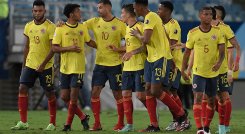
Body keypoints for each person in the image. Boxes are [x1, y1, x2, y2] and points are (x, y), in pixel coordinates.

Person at [129, 0, 189, 132]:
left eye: (134, 8)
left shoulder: (151, 17)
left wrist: (137, 34)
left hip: (160, 58)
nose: (134, 11)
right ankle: (154, 125)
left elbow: (146, 39)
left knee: (157, 90)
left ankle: (182, 116)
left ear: (140, 6)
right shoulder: (149, 19)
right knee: (149, 90)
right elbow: (164, 38)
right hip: (151, 58)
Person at [11, 0, 57, 131]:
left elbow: (53, 49)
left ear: (44, 11)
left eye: (40, 11)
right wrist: (24, 65)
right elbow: (26, 47)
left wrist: (43, 64)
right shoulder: (28, 26)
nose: (37, 13)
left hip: (46, 66)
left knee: (49, 93)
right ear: (32, 11)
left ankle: (52, 123)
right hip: (30, 64)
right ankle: (23, 122)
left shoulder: (50, 27)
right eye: (35, 11)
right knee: (22, 88)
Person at [52, 3, 96, 131]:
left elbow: (89, 41)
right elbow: (54, 47)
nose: (80, 13)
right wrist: (69, 48)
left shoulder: (82, 27)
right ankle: (83, 117)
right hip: (64, 68)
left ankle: (67, 125)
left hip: (78, 68)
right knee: (64, 97)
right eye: (78, 11)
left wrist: (102, 47)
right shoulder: (60, 28)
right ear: (71, 14)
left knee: (73, 98)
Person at [181, 6, 225, 134]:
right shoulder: (193, 32)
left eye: (210, 15)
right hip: (198, 72)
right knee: (198, 98)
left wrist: (219, 63)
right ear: (200, 16)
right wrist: (184, 70)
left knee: (211, 100)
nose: (208, 17)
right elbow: (187, 53)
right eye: (205, 14)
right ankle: (200, 129)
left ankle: (207, 127)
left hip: (212, 72)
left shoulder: (218, 31)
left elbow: (222, 52)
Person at [84, 0, 126, 131]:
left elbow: (130, 44)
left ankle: (121, 123)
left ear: (108, 8)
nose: (98, 10)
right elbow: (80, 27)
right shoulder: (94, 21)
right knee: (95, 93)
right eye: (97, 7)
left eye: (100, 7)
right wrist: (89, 42)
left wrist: (119, 50)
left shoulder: (120, 24)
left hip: (115, 64)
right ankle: (97, 123)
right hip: (100, 64)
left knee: (117, 94)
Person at [109, 4, 147, 132]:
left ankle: (153, 115)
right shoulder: (126, 28)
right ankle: (129, 125)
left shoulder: (141, 27)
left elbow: (146, 46)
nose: (121, 16)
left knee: (141, 96)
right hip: (127, 68)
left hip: (140, 66)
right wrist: (119, 50)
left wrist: (132, 53)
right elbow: (128, 46)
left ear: (129, 14)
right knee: (125, 94)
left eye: (122, 13)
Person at [157, 1, 190, 131]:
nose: (158, 11)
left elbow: (171, 45)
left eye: (160, 9)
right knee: (169, 91)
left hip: (173, 62)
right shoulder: (160, 24)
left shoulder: (173, 25)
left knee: (169, 91)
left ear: (168, 11)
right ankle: (179, 119)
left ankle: (180, 119)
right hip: (164, 61)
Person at [212, 5, 241, 134]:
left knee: (223, 97)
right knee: (213, 98)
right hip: (209, 70)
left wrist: (230, 71)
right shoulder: (210, 29)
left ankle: (225, 125)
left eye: (210, 13)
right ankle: (225, 122)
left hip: (222, 70)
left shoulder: (225, 29)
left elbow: (230, 52)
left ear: (216, 16)